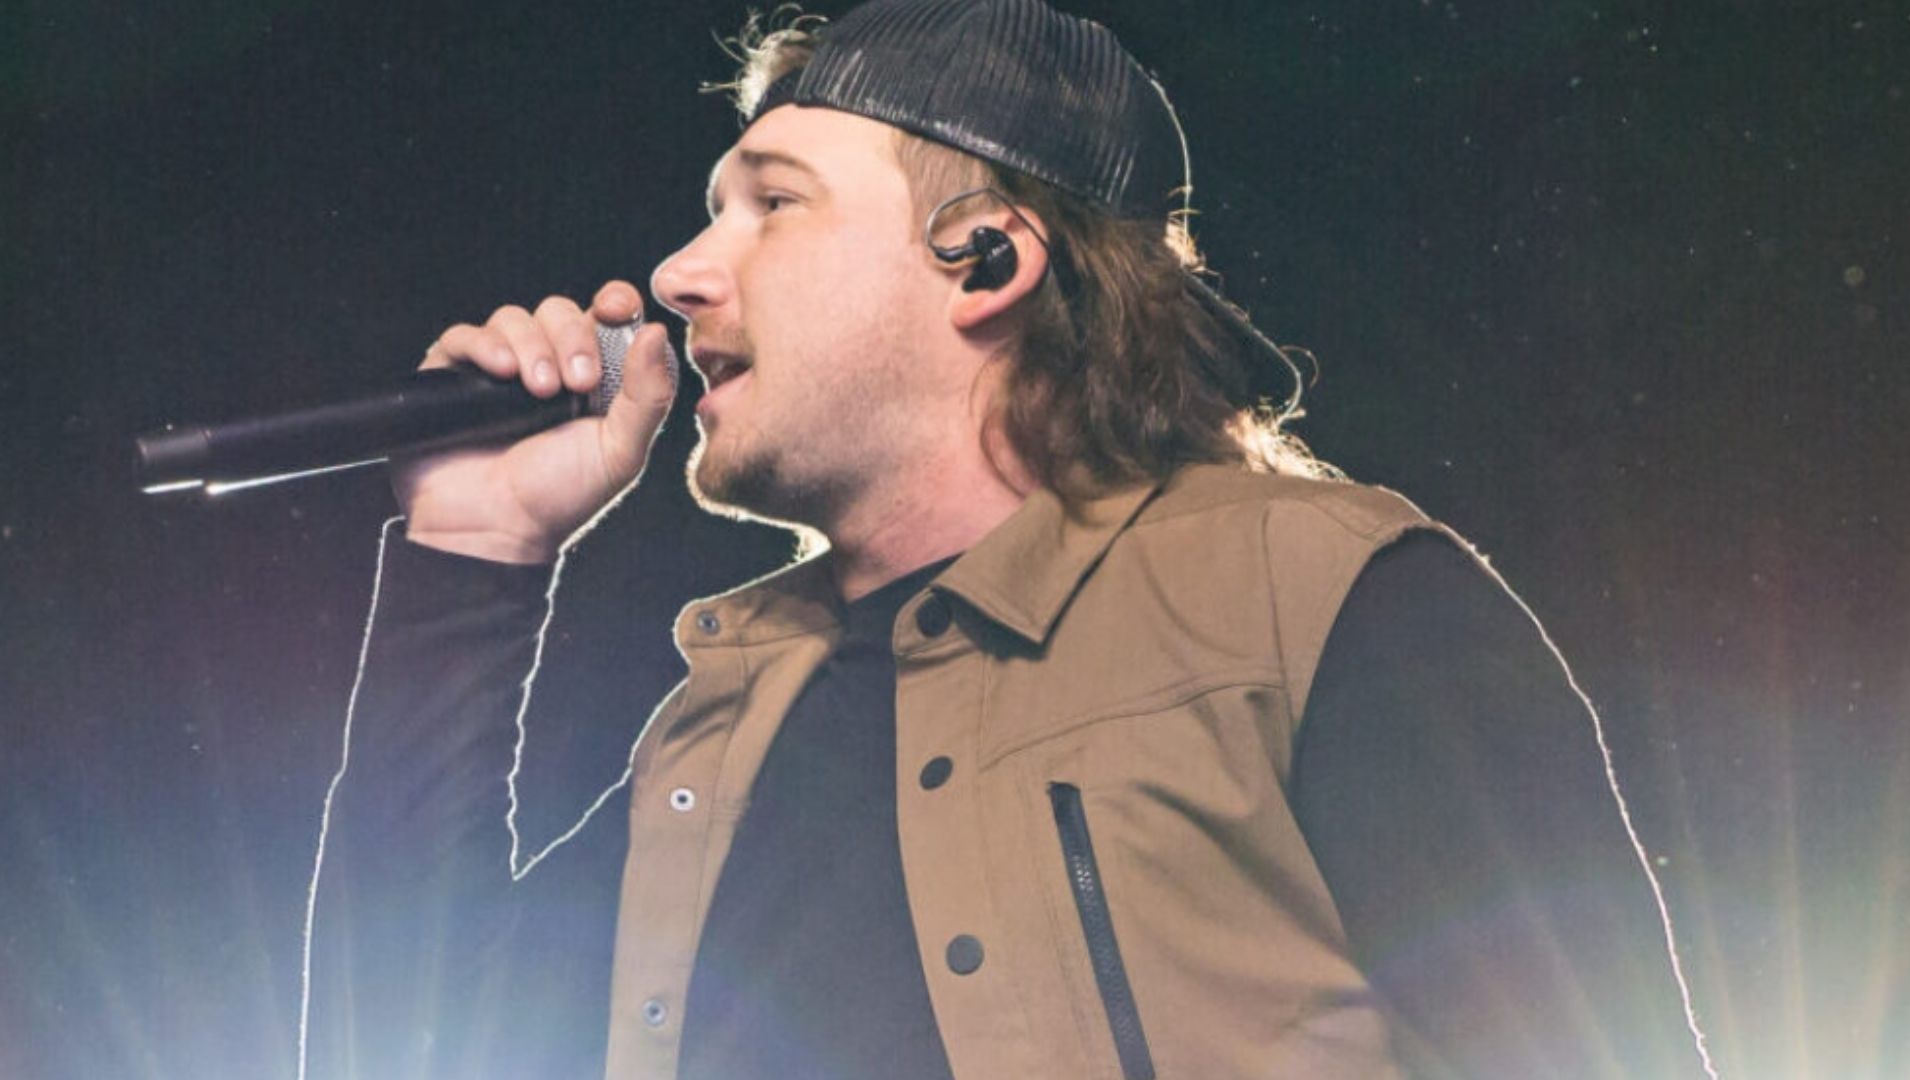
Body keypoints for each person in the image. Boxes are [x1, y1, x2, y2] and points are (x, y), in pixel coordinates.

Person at [304, 1, 1714, 1077]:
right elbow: (400, 1040)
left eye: (770, 203)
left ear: (989, 256)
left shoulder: (1320, 601)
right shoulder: (727, 724)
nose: (679, 275)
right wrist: (471, 550)